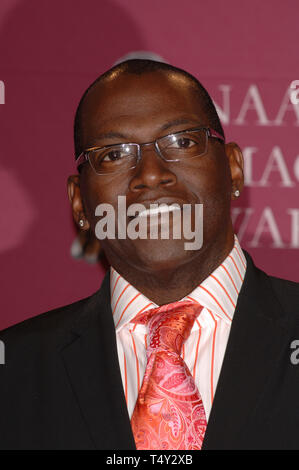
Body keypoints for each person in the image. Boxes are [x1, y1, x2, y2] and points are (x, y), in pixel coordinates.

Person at [1, 59, 299, 450]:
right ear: (79, 203)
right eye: (113, 154)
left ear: (233, 169)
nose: (151, 174)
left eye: (182, 141)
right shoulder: (14, 372)